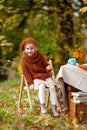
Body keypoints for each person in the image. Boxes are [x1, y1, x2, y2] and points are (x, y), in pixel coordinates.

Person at [20, 37, 60, 117]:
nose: (29, 50)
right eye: (27, 49)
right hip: (36, 78)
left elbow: (45, 64)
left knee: (52, 88)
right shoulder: (24, 59)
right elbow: (26, 73)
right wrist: (30, 83)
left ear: (35, 48)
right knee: (41, 86)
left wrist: (48, 67)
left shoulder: (40, 56)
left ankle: (54, 108)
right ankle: (43, 106)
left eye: (31, 48)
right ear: (25, 49)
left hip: (45, 76)